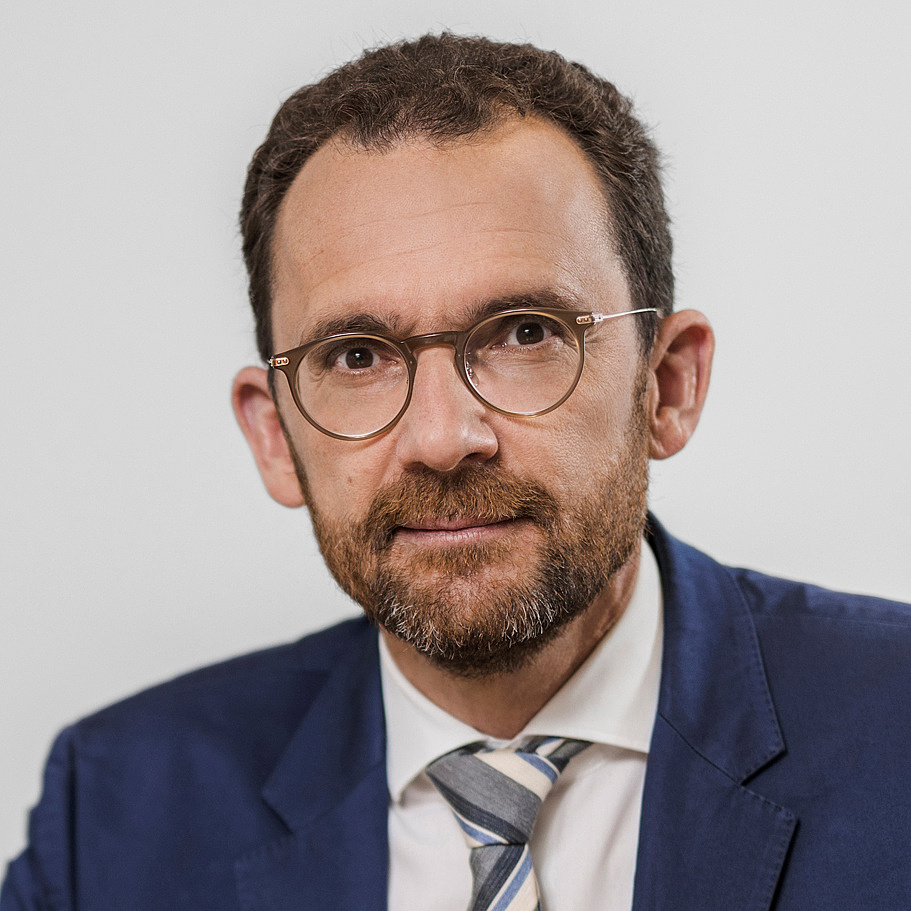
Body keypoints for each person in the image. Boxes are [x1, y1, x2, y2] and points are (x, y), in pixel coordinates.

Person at [3, 32, 910, 911]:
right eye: (356, 356)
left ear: (665, 386)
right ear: (274, 435)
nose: (441, 438)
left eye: (525, 334)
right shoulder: (112, 819)